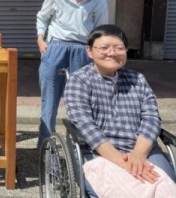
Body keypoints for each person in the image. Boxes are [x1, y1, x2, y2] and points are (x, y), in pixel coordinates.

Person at [64, 24, 176, 197]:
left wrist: (138, 154)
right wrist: (124, 164)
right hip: (97, 151)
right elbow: (86, 126)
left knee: (166, 186)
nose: (112, 53)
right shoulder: (79, 81)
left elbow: (151, 117)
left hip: (142, 149)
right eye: (104, 48)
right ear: (89, 51)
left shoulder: (137, 79)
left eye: (119, 48)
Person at [36, 0, 108, 148]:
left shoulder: (98, 0)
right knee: (49, 102)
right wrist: (41, 40)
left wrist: (98, 55)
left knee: (80, 103)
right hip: (56, 47)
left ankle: (79, 149)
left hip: (83, 50)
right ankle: (45, 147)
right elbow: (42, 17)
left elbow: (101, 31)